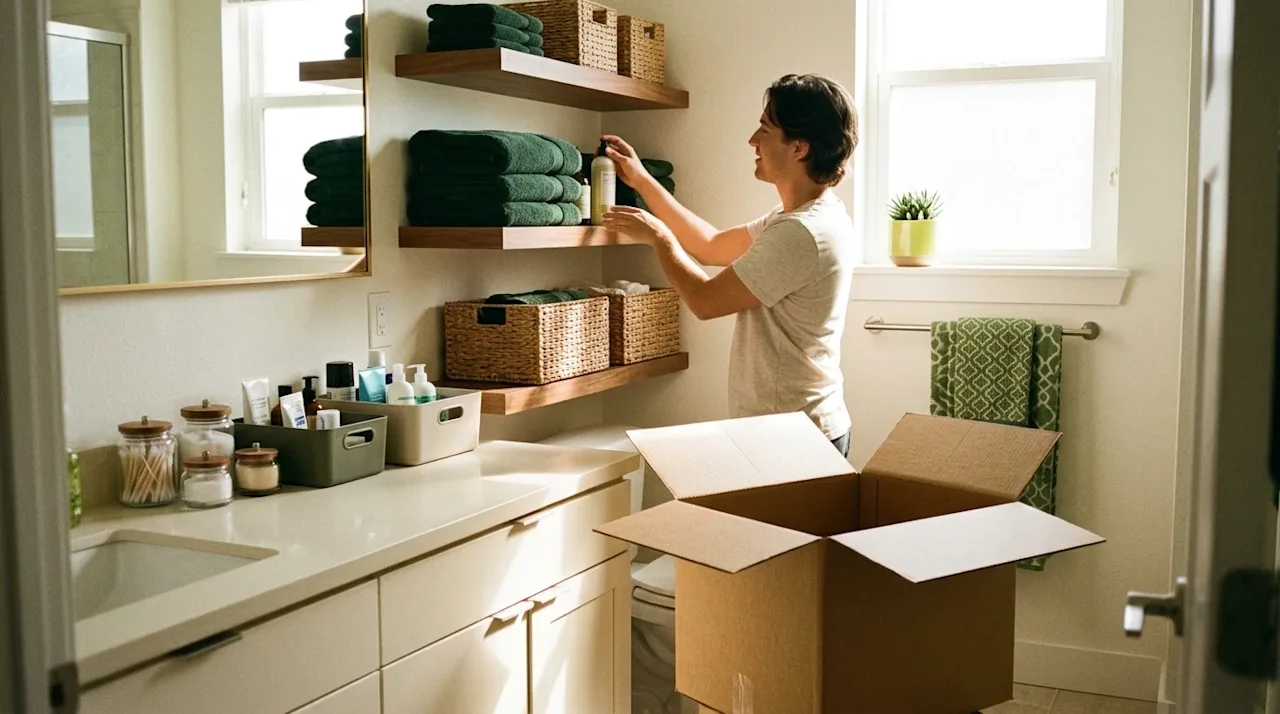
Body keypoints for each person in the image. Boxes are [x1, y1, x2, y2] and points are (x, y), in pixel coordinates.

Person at [601, 73, 858, 456]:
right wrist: (642, 180)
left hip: (793, 435)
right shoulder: (804, 216)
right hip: (794, 428)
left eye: (765, 130)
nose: (753, 140)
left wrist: (658, 238)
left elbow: (705, 302)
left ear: (799, 147)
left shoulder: (802, 233)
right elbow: (710, 245)